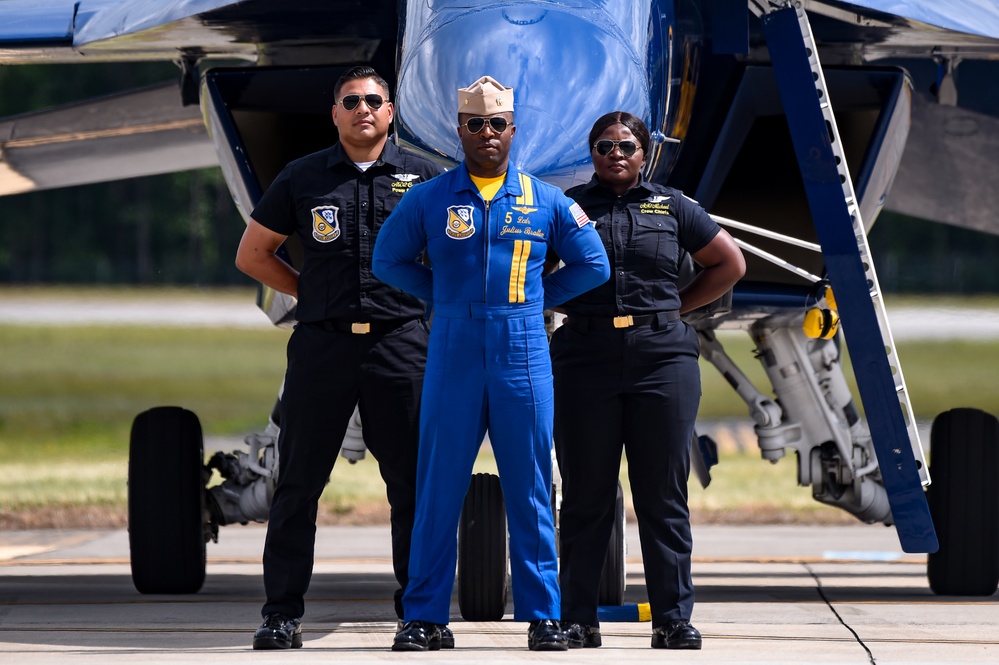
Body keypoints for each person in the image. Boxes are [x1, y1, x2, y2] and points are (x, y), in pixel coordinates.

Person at [372, 75, 610, 652]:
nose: (486, 134)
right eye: (475, 125)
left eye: (496, 124)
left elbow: (593, 264)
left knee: (530, 485)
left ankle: (543, 616)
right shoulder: (429, 197)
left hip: (522, 347)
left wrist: (536, 302)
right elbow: (387, 259)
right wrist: (440, 297)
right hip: (453, 345)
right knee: (438, 486)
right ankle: (424, 616)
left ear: (512, 130)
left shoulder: (546, 199)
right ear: (459, 131)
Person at [234, 65, 445, 650]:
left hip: (400, 345)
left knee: (411, 485)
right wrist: (311, 292)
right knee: (298, 484)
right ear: (334, 113)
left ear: (390, 110)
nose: (363, 110)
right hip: (322, 346)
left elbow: (457, 255)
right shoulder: (304, 177)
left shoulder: (426, 179)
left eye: (374, 100)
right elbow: (253, 253)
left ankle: (419, 615)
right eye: (351, 101)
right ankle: (281, 613)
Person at [549, 111, 745, 650]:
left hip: (663, 359)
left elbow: (729, 264)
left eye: (626, 145)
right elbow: (533, 270)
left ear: (645, 153)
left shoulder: (673, 205)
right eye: (605, 146)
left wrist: (674, 308)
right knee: (586, 495)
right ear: (591, 153)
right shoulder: (568, 209)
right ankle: (577, 618)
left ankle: (672, 618)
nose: (616, 154)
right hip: (585, 355)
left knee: (662, 493)